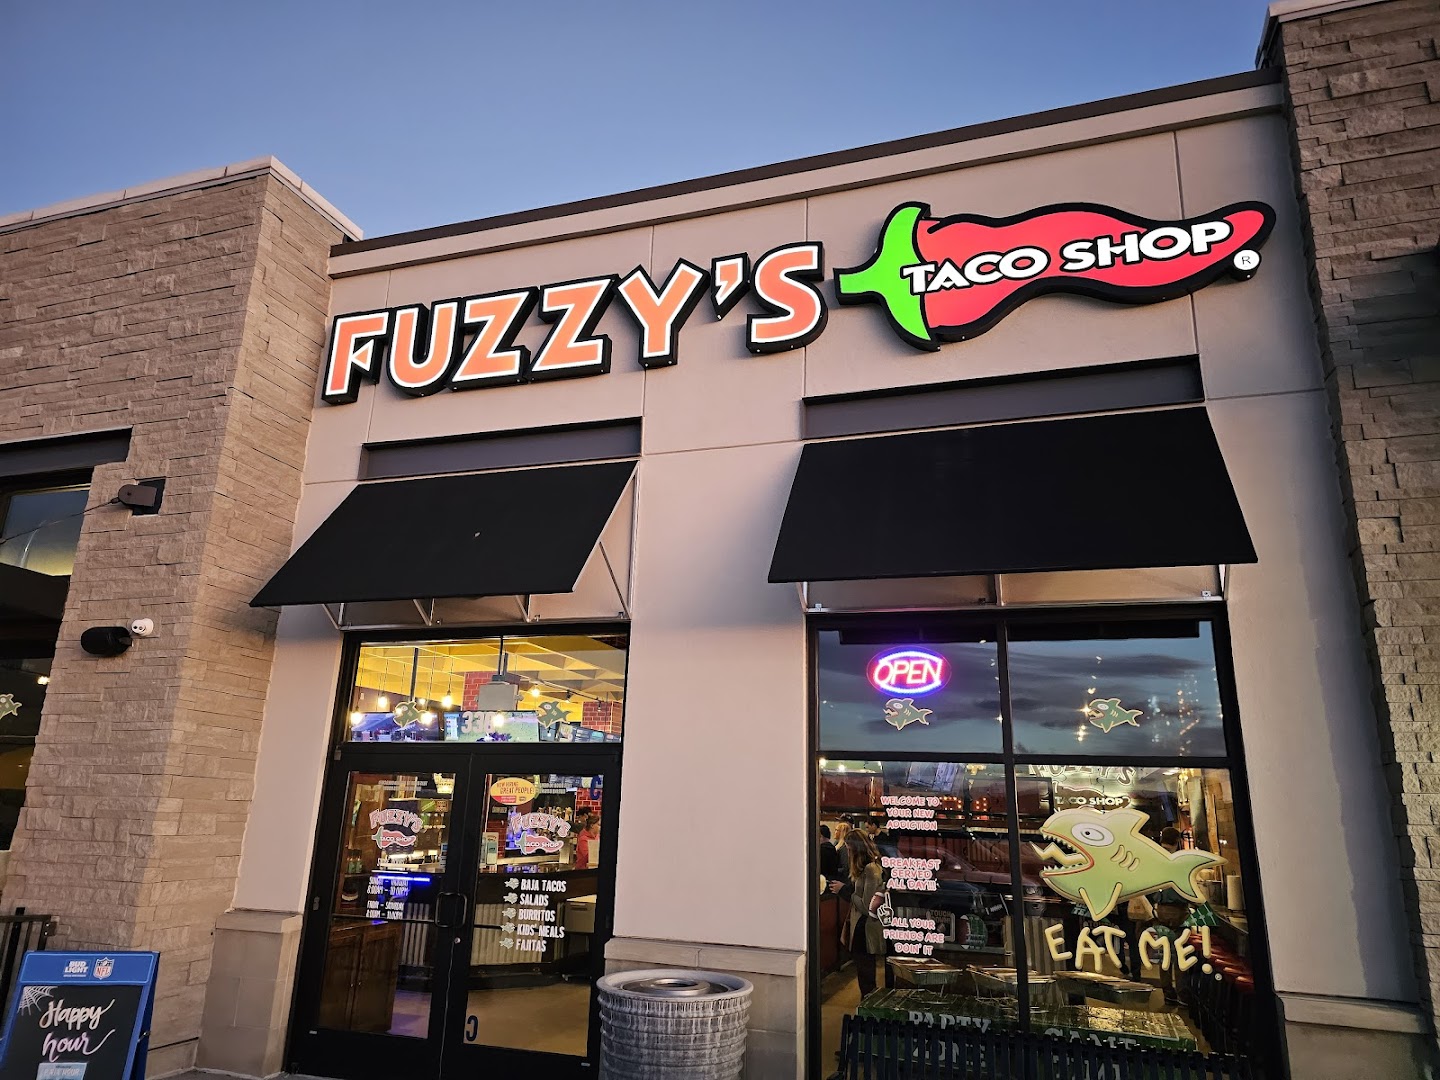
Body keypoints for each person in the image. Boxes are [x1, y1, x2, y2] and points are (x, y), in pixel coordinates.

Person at [829, 830, 885, 999]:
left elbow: (867, 907)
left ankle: (868, 1004)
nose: (847, 853)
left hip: (865, 927)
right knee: (864, 971)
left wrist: (845, 891)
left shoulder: (870, 869)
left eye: (848, 849)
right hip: (862, 925)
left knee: (865, 973)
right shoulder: (868, 868)